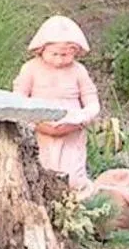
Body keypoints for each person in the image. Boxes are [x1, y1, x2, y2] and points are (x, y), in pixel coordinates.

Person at [13, 14, 101, 187]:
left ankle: (74, 197)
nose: (60, 60)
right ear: (42, 49)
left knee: (73, 176)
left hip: (71, 131)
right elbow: (18, 99)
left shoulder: (78, 71)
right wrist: (31, 122)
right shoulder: (30, 69)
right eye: (54, 54)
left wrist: (83, 117)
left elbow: (91, 100)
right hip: (39, 129)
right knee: (40, 171)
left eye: (65, 55)